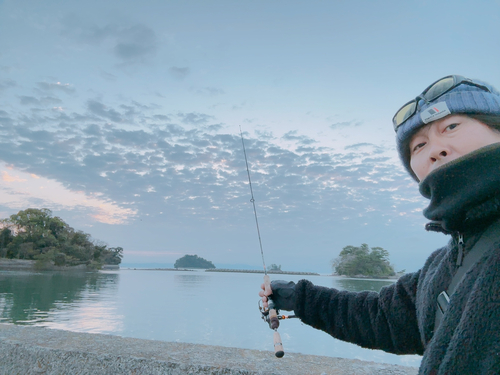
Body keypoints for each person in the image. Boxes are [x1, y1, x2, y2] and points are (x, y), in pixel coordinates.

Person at [259, 75, 500, 374]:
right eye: (419, 145)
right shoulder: (443, 265)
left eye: (451, 127)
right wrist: (300, 297)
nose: (435, 149)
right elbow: (384, 319)